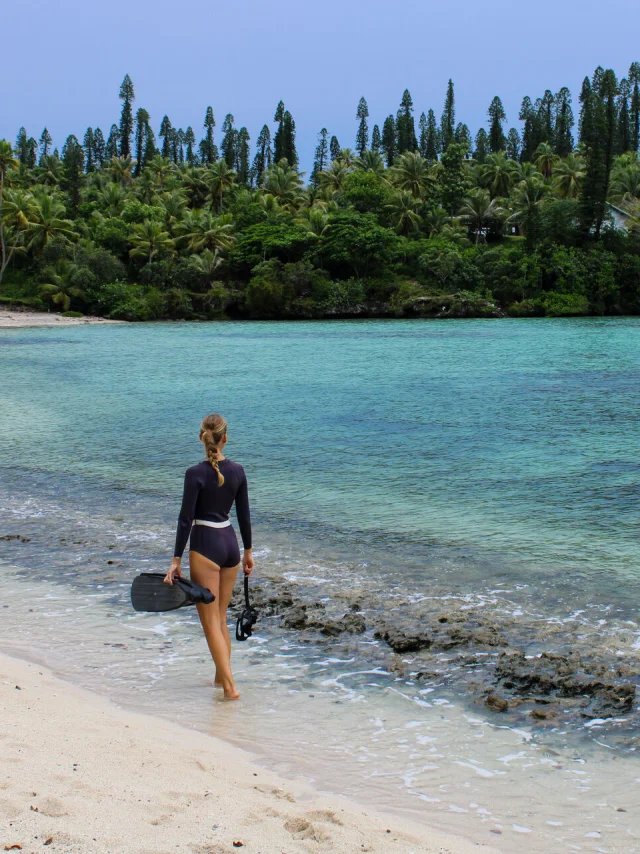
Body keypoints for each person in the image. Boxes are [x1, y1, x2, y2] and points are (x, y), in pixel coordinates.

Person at [165, 413, 254, 700]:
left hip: (205, 545)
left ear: (201, 438)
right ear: (225, 438)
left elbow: (185, 519)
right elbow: (244, 514)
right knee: (222, 618)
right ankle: (220, 677)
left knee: (211, 623)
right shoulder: (238, 471)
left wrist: (176, 559)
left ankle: (230, 688)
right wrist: (249, 551)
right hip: (230, 544)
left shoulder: (194, 474)